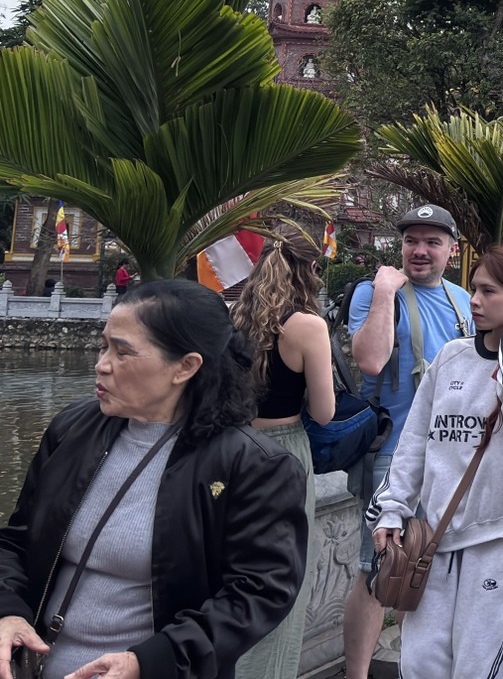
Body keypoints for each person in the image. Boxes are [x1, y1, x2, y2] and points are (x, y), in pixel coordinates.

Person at [0, 280, 308, 679]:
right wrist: (8, 610)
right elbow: (17, 540)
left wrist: (151, 661)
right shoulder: (72, 429)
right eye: (103, 346)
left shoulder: (253, 466)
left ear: (186, 366)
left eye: (122, 352)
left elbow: (258, 593)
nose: (102, 364)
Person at [368, 247, 503, 679]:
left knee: (482, 668)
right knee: (421, 665)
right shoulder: (451, 356)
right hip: (436, 539)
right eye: (474, 288)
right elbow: (416, 439)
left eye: (489, 291)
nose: (474, 300)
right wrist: (393, 507)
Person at [342, 203, 474, 679]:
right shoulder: (375, 292)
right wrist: (383, 291)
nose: (420, 251)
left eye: (432, 242)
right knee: (378, 568)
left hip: (451, 456)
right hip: (393, 452)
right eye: (411, 241)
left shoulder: (463, 300)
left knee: (428, 571)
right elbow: (371, 361)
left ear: (452, 250)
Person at [231, 235, 337, 679]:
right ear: (309, 271)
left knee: (234, 572)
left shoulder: (235, 317)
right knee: (282, 575)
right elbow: (324, 412)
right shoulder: (308, 326)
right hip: (284, 450)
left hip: (233, 448)